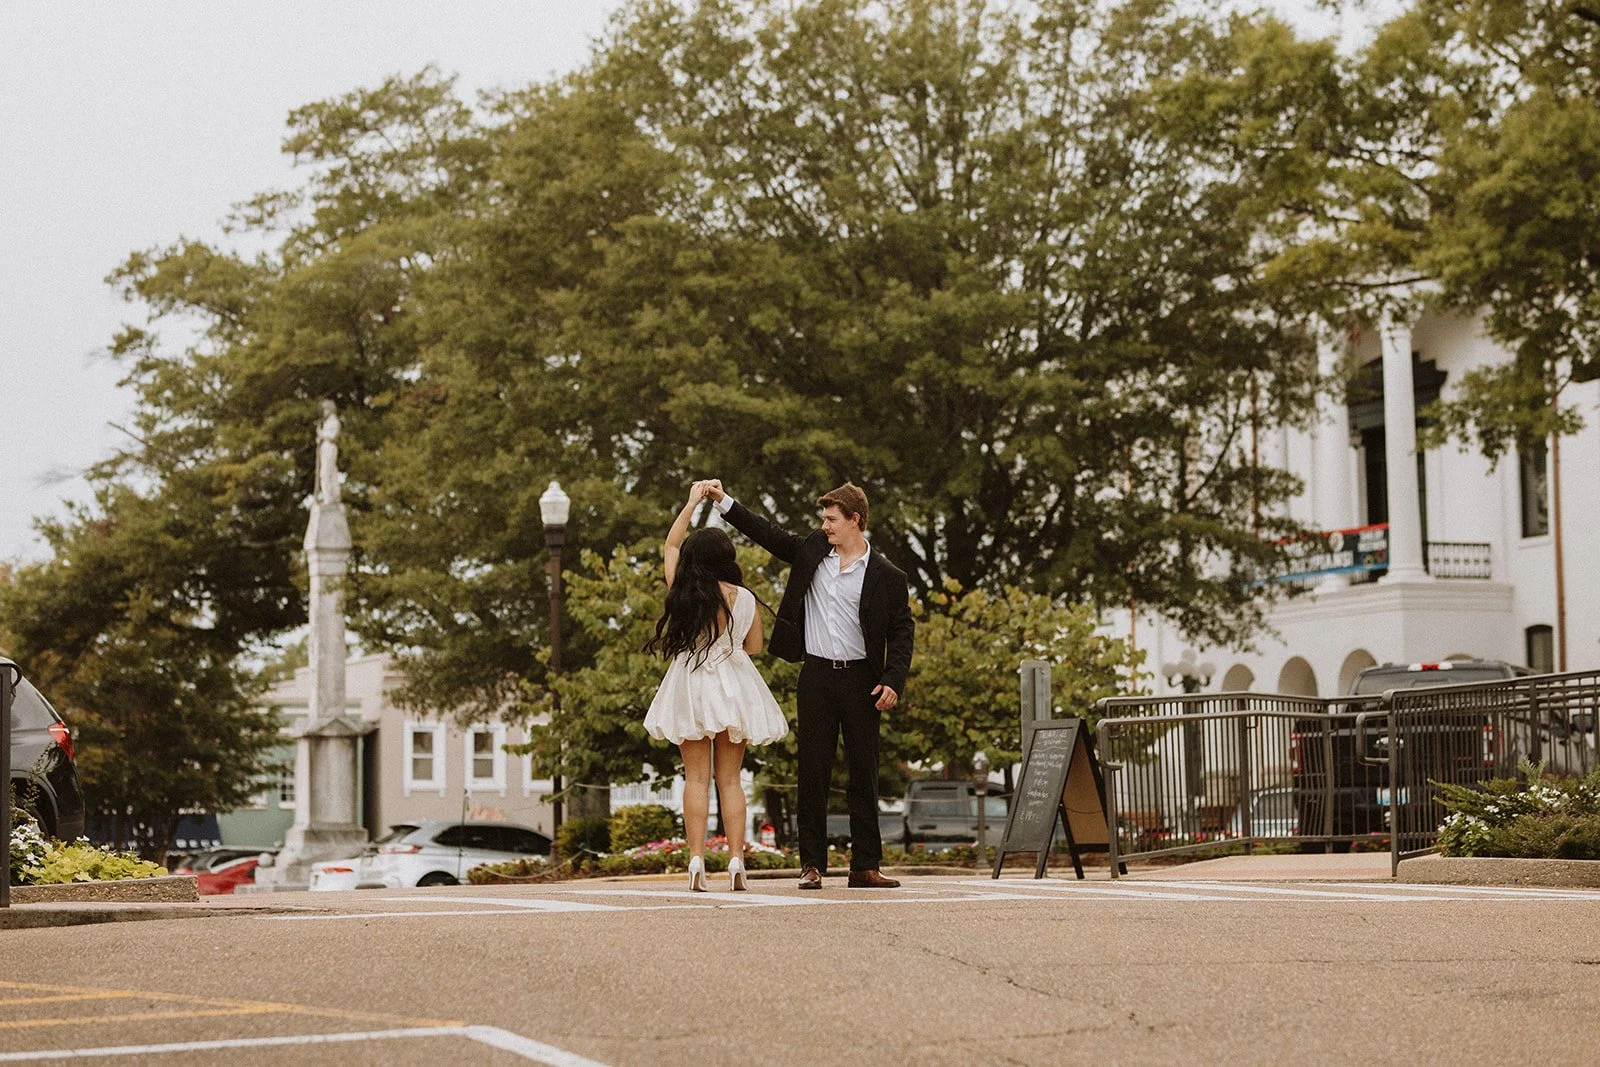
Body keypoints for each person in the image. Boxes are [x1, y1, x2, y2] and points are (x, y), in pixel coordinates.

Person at [702, 480, 914, 890]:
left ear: (856, 520)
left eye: (832, 519)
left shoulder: (888, 575)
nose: (825, 525)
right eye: (824, 518)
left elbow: (902, 630)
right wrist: (723, 500)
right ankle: (811, 865)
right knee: (812, 773)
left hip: (862, 681)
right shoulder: (814, 551)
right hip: (816, 675)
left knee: (863, 773)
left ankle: (865, 866)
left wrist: (893, 680)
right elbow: (767, 533)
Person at [644, 481, 788, 891]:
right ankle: (737, 861)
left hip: (692, 682)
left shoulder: (684, 592)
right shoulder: (743, 597)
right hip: (734, 683)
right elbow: (756, 647)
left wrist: (692, 502)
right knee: (731, 780)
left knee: (695, 779)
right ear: (727, 558)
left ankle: (695, 861)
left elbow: (670, 547)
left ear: (694, 559)